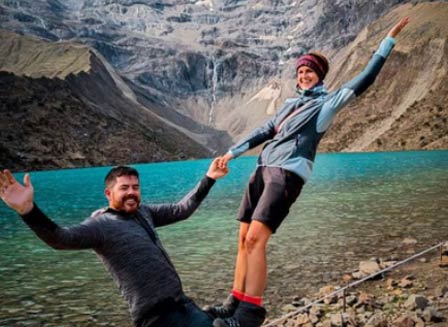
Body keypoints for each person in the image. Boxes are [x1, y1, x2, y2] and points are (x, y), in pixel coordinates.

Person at [206, 17, 410, 327]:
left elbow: (366, 78)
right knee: (243, 236)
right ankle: (234, 301)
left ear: (319, 76)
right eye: (300, 72)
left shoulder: (327, 105)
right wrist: (231, 153)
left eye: (309, 71)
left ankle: (249, 315)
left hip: (286, 175)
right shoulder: (289, 104)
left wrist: (388, 40)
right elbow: (264, 129)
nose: (303, 75)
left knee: (256, 241)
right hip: (261, 169)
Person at [0, 158, 228, 327]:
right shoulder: (101, 225)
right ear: (108, 193)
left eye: (135, 188)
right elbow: (61, 239)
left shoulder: (144, 212)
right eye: (124, 188)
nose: (131, 193)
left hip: (183, 304)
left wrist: (209, 179)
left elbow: (182, 209)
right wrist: (28, 210)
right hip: (157, 317)